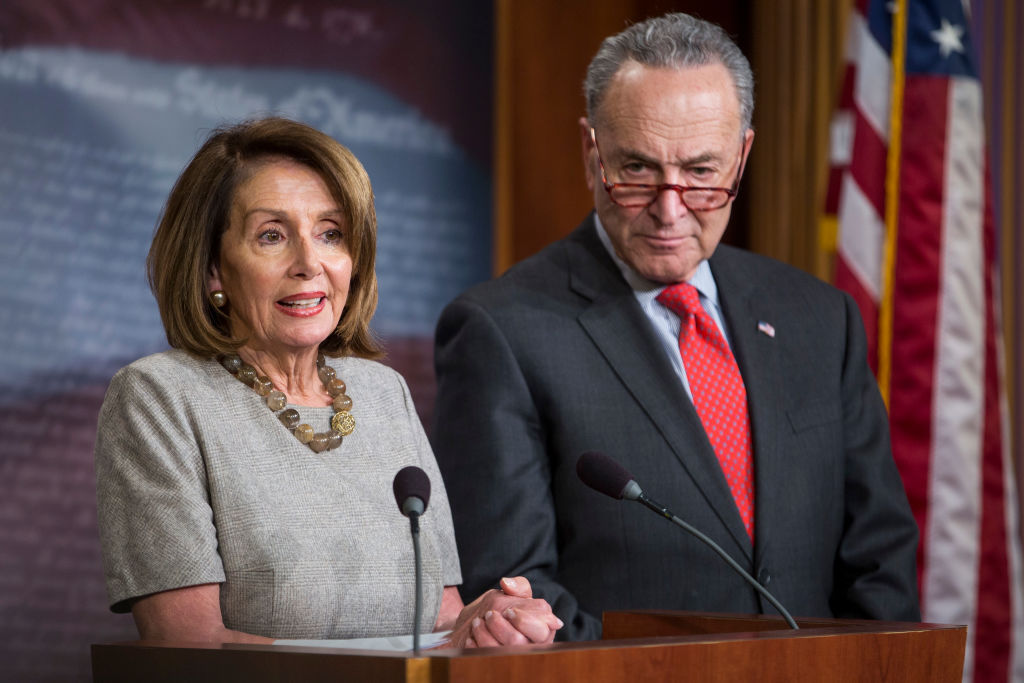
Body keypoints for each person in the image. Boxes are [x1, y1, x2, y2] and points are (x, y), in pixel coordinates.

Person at [431, 13, 920, 641]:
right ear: (592, 155)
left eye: (701, 173)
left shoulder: (820, 319)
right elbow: (516, 594)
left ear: (742, 156)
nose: (669, 210)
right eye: (637, 170)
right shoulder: (501, 331)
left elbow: (880, 563)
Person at [94, 117, 562, 647]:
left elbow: (438, 620)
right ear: (212, 270)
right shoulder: (159, 398)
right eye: (272, 236)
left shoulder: (383, 393)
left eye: (330, 234)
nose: (309, 263)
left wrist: (486, 623)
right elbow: (190, 644)